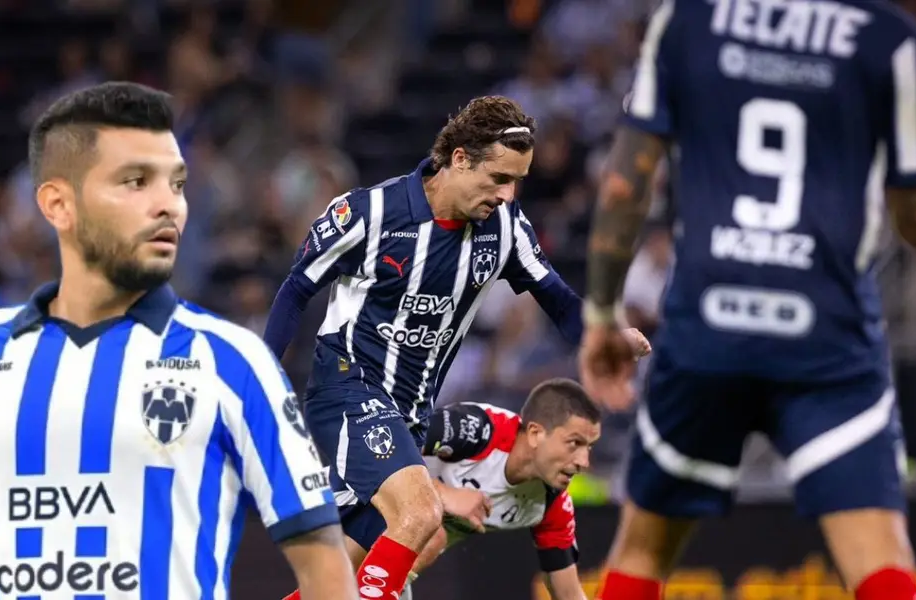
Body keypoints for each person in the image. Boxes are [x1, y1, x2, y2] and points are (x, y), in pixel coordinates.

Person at [577, 2, 916, 600]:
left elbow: (625, 184)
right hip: (825, 336)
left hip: (708, 324)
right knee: (881, 564)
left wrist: (601, 313)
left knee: (643, 552)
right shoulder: (895, 42)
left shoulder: (686, 20)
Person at [0, 82, 358, 599]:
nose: (169, 206)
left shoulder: (232, 360)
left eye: (178, 184)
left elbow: (322, 563)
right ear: (58, 204)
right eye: (136, 182)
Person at [264, 95, 650, 599]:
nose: (508, 195)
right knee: (421, 514)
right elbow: (296, 289)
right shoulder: (370, 213)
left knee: (353, 568)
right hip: (349, 389)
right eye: (498, 179)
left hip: (411, 412)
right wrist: (262, 378)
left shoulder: (505, 228)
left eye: (517, 182)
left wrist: (602, 335)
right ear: (460, 159)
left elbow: (556, 299)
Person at [400, 378, 599, 600]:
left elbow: (569, 594)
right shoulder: (479, 429)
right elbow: (387, 446)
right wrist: (443, 494)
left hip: (393, 560)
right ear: (535, 434)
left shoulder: (551, 505)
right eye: (574, 443)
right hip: (362, 505)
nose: (584, 461)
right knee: (431, 529)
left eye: (589, 447)